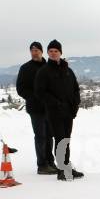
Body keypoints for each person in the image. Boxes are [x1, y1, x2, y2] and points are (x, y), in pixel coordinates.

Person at [34, 40, 83, 181]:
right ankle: (62, 169)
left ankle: (67, 166)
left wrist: (75, 104)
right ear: (48, 53)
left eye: (56, 51)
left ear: (60, 53)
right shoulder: (43, 71)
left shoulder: (68, 70)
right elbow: (40, 92)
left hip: (68, 112)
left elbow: (75, 89)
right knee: (60, 139)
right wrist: (55, 103)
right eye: (51, 51)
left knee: (66, 140)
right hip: (54, 112)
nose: (53, 53)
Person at [16, 42, 57, 175]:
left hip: (49, 107)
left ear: (41, 51)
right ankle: (42, 165)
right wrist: (34, 97)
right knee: (40, 136)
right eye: (32, 50)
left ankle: (50, 162)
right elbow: (20, 89)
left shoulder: (48, 66)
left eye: (37, 50)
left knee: (50, 136)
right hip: (35, 108)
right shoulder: (25, 68)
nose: (34, 52)